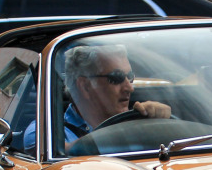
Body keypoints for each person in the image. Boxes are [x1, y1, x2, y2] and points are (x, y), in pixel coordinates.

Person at [21, 43, 170, 150]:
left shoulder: (137, 119)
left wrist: (158, 126)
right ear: (85, 86)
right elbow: (64, 159)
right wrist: (131, 131)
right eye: (116, 77)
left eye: (129, 76)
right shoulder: (44, 132)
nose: (129, 87)